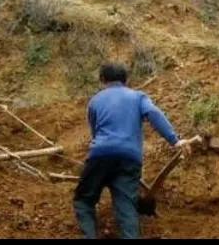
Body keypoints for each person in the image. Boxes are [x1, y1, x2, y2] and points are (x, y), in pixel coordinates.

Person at [73, 63, 192, 239]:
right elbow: (153, 113)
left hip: (100, 155)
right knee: (126, 207)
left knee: (84, 200)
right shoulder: (138, 97)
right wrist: (174, 140)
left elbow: (95, 133)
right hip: (130, 158)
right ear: (126, 80)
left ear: (102, 80)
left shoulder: (95, 101)